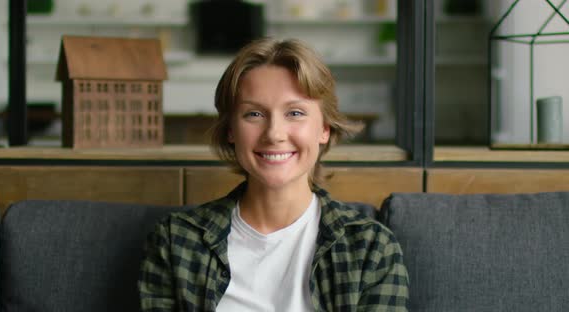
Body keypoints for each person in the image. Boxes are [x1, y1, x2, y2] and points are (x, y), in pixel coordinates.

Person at [139, 37, 409, 311]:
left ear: (324, 129)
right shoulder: (176, 241)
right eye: (254, 114)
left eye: (295, 112)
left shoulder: (372, 248)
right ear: (231, 130)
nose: (274, 134)